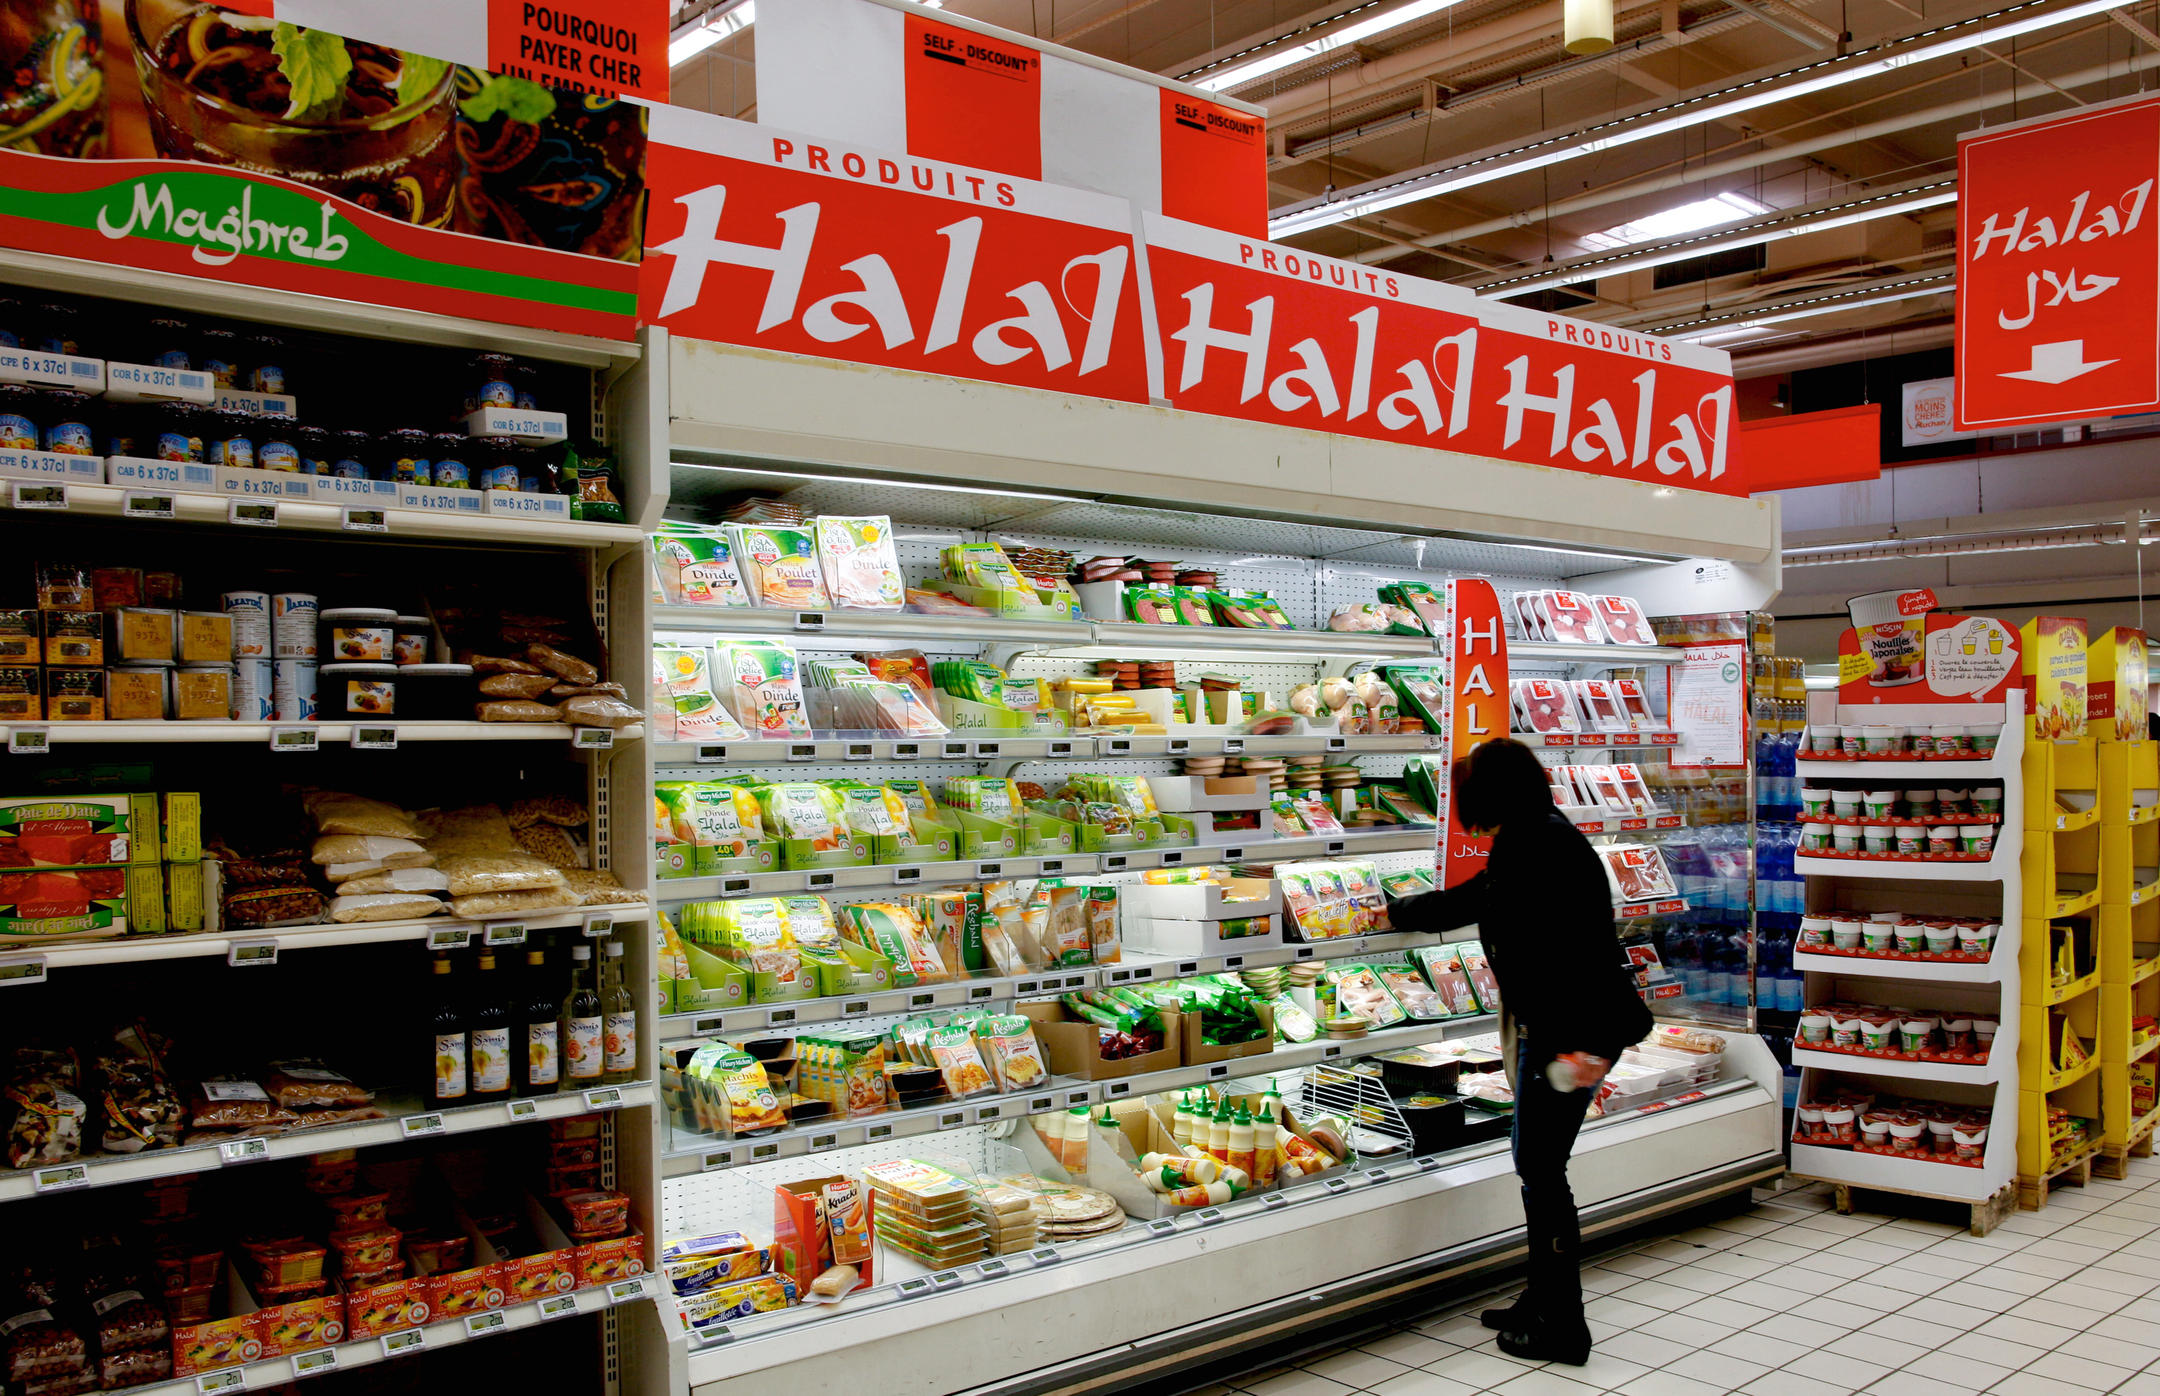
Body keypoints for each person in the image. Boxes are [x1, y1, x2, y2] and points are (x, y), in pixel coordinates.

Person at [1390, 737, 1653, 1366]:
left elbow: (1480, 900)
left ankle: (1563, 1324)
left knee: (1540, 1168)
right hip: (1582, 1030)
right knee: (1539, 1164)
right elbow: (1484, 895)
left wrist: (1397, 911)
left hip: (1570, 1038)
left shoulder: (1534, 842)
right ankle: (1540, 1300)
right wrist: (1405, 910)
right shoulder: (1543, 832)